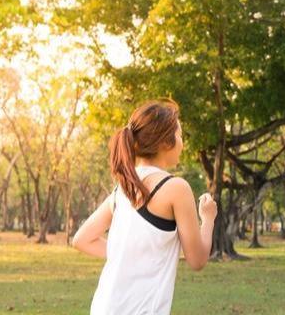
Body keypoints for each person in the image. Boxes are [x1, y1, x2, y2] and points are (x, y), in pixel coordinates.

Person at [71, 98, 218, 315]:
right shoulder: (176, 188)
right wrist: (208, 219)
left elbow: (82, 239)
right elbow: (197, 260)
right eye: (179, 135)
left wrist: (131, 255)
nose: (182, 143)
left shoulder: (122, 189)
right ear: (165, 143)